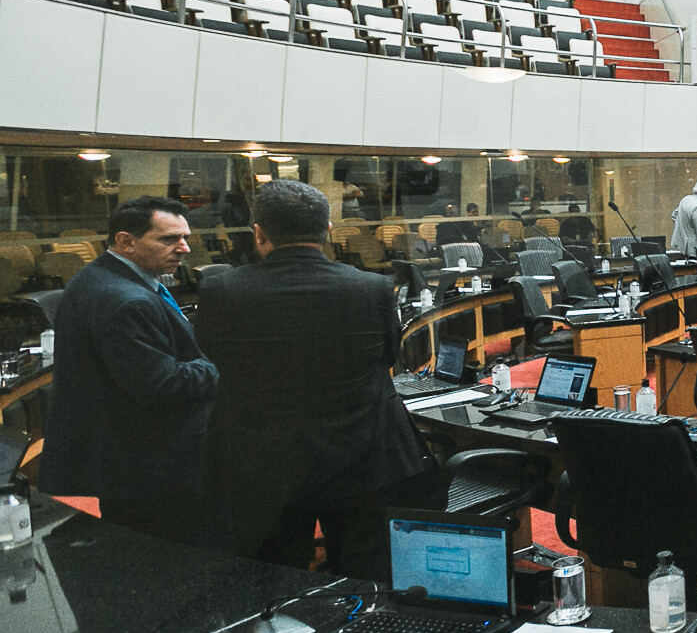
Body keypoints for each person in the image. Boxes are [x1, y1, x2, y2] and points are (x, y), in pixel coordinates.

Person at [196, 181, 435, 576]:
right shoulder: (371, 287)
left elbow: (210, 359)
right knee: (363, 576)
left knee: (273, 580)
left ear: (259, 232)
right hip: (361, 455)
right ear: (327, 229)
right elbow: (389, 358)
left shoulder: (221, 290)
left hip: (264, 462)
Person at [40, 196, 221, 546]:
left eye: (185, 237)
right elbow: (163, 385)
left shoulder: (100, 276)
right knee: (165, 562)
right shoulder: (127, 300)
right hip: (146, 468)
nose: (184, 248)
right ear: (126, 241)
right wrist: (221, 363)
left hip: (126, 461)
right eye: (169, 239)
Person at [667, 178, 697, 260]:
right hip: (696, 248)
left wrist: (684, 229)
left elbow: (674, 215)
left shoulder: (686, 199)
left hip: (685, 246)